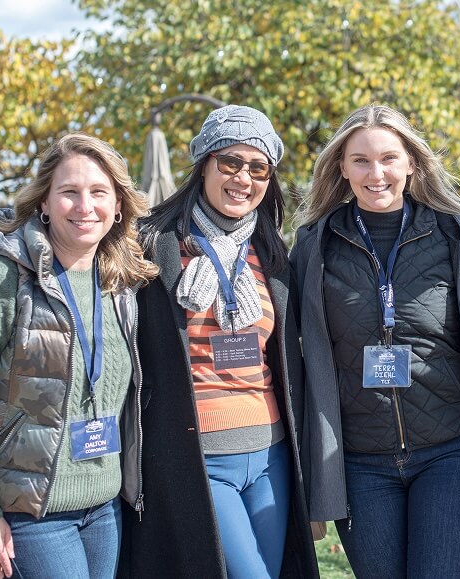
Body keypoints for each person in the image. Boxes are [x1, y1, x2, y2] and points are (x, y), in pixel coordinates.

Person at [290, 104, 460, 578]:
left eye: (389, 158)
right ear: (342, 168)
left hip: (451, 452)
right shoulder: (313, 248)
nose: (377, 173)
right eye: (361, 160)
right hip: (358, 460)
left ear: (412, 163)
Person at [118, 105, 318, 578]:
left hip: (271, 455)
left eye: (258, 168)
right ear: (203, 164)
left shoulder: (271, 251)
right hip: (196, 454)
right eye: (230, 162)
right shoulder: (155, 245)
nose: (243, 178)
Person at [0, 133, 158, 578]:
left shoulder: (120, 282)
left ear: (118, 207)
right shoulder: (2, 274)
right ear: (44, 203)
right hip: (30, 514)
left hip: (104, 507)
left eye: (98, 192)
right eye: (69, 192)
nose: (84, 206)